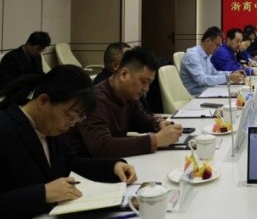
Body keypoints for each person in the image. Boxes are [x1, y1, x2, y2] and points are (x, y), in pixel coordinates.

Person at [0, 65, 137, 218]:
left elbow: (73, 163)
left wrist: (113, 167)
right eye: (69, 116)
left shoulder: (50, 127)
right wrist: (43, 193)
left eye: (76, 119)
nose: (70, 125)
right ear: (43, 101)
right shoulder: (5, 129)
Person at [67, 47, 183, 158]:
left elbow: (140, 120)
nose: (146, 89)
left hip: (114, 162)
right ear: (123, 74)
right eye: (143, 81)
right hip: (84, 166)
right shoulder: (97, 100)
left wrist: (158, 124)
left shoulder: (128, 95)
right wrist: (156, 140)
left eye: (149, 83)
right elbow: (102, 146)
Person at [180, 26, 245, 95]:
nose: (218, 48)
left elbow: (214, 73)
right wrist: (228, 77)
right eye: (217, 45)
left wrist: (231, 73)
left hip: (207, 91)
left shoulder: (206, 55)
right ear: (207, 41)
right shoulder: (192, 55)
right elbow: (202, 80)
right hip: (195, 96)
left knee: (236, 94)